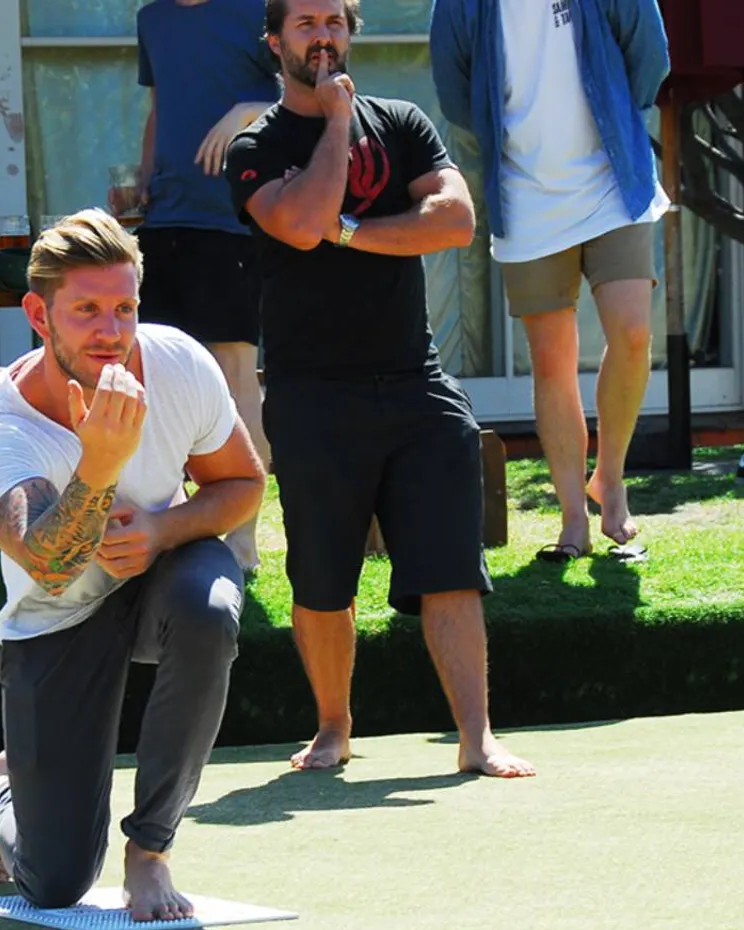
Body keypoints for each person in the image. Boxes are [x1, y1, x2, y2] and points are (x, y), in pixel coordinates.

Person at [225, 0, 534, 778]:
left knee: (452, 568)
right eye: (306, 24)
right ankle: (334, 727)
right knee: (323, 578)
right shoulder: (257, 145)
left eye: (334, 21)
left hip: (415, 382)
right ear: (276, 42)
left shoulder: (401, 121)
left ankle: (477, 738)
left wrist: (354, 231)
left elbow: (455, 220)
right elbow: (298, 223)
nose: (323, 36)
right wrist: (335, 124)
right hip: (311, 392)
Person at [0, 210, 266, 921]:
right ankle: (6, 790)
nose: (111, 331)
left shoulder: (180, 363)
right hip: (54, 618)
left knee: (209, 608)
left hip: (161, 578)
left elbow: (243, 485)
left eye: (124, 308)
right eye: (87, 310)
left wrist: (161, 529)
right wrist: (99, 464)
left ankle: (150, 852)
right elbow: (50, 565)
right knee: (55, 881)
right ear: (39, 314)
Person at [430, 0, 669, 562]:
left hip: (617, 179)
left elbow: (650, 57)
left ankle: (609, 481)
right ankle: (572, 522)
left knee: (633, 332)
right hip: (526, 194)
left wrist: (615, 116)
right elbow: (454, 91)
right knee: (552, 360)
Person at [118, 0, 279, 574]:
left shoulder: (257, 11)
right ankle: (164, 527)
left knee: (235, 370)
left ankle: (242, 540)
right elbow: (160, 108)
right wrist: (142, 180)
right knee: (152, 371)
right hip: (165, 221)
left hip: (234, 219)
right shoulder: (152, 18)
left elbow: (312, 100)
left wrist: (248, 111)